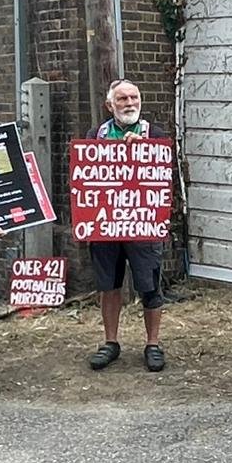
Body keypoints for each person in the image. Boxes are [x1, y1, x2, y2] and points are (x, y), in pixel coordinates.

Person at [89, 79, 170, 372]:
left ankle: (153, 344)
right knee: (109, 285)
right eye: (122, 99)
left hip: (143, 225)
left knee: (149, 286)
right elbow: (83, 174)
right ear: (110, 105)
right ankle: (110, 342)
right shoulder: (96, 135)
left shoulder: (153, 133)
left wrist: (144, 150)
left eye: (134, 97)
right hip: (106, 224)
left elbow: (164, 173)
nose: (129, 103)